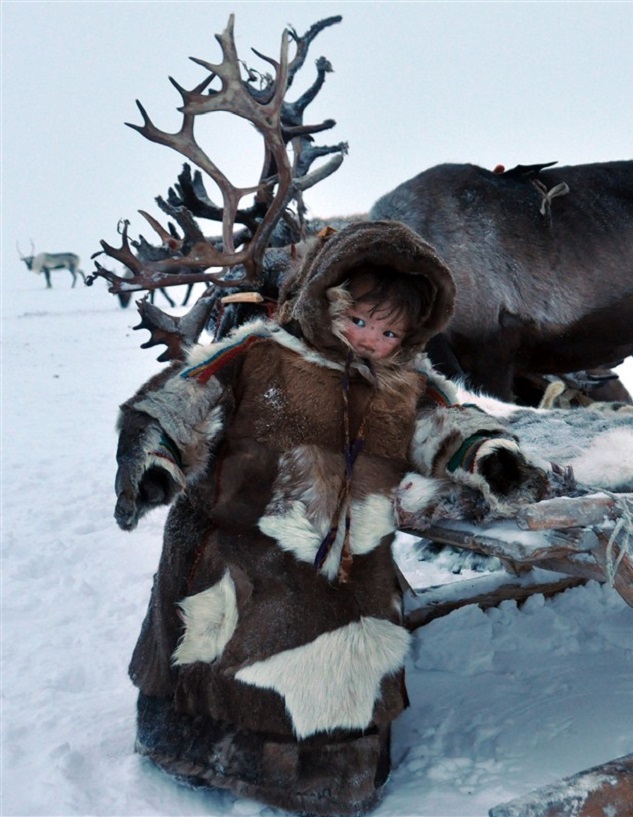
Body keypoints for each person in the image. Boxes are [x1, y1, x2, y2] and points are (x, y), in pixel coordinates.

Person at [113, 220, 548, 816]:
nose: (371, 339)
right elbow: (181, 399)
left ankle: (319, 776)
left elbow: (452, 426)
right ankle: (190, 749)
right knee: (217, 640)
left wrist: (491, 459)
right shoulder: (258, 353)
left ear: (412, 335)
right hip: (237, 537)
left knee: (335, 660)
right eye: (359, 319)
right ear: (324, 300)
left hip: (344, 562)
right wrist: (154, 457)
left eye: (390, 331)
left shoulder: (408, 387)